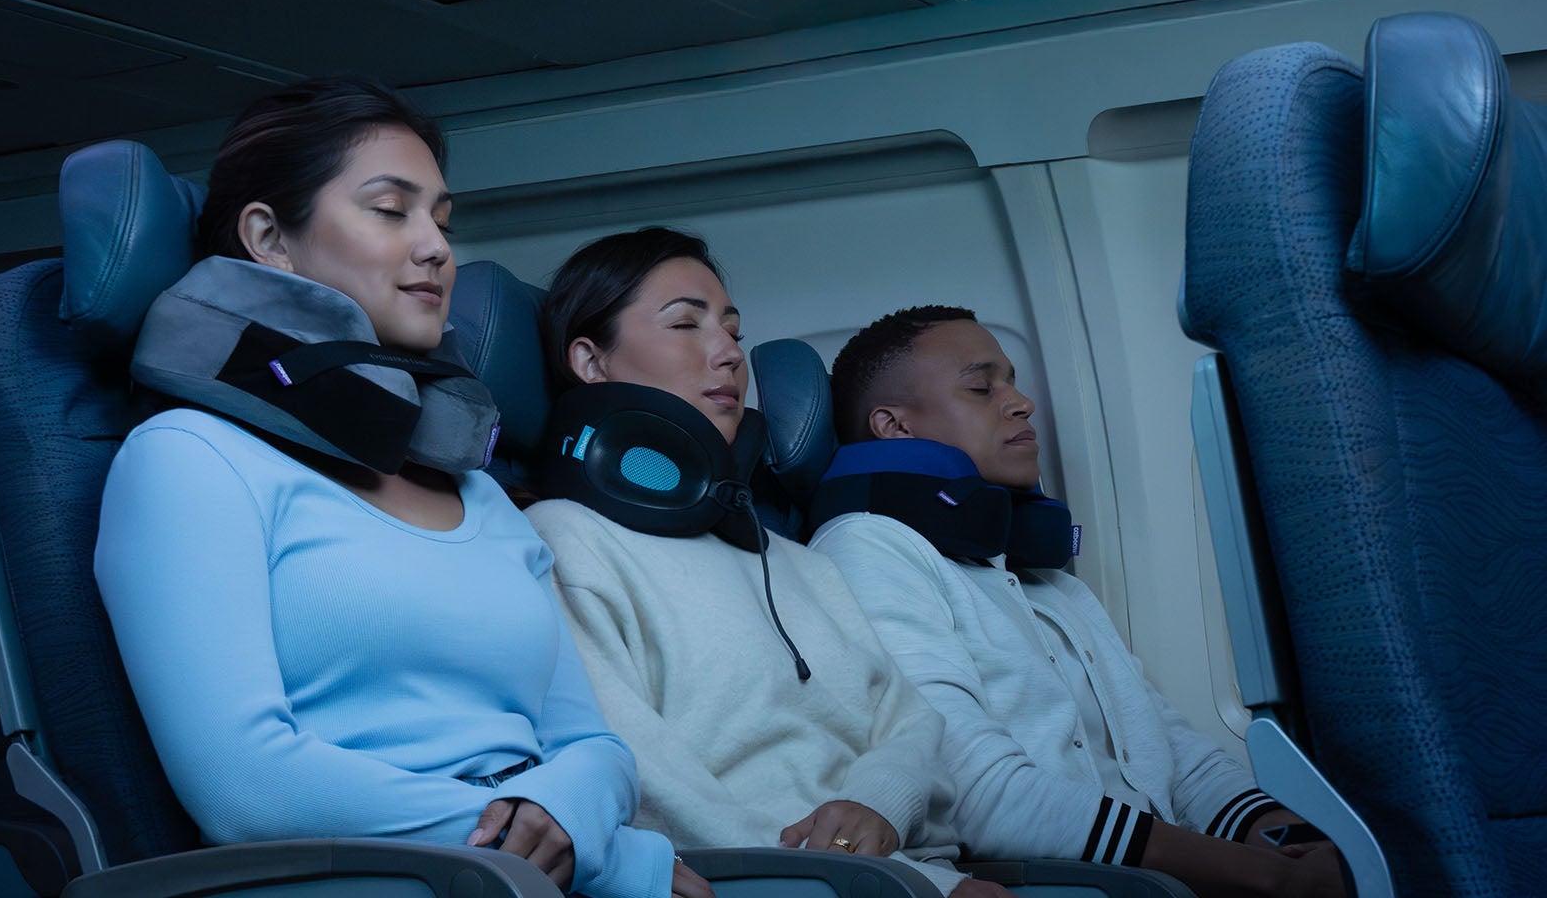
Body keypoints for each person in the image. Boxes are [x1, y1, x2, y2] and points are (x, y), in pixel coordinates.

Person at [93, 79, 704, 898]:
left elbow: (590, 745)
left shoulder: (479, 494)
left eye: (443, 221)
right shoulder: (187, 459)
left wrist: (562, 814)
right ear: (269, 236)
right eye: (391, 211)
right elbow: (245, 786)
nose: (436, 249)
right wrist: (587, 855)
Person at [524, 227, 1008, 898]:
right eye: (686, 324)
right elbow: (640, 781)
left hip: (898, 872)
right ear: (590, 361)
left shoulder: (795, 558)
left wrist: (880, 808)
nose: (727, 354)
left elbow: (912, 721)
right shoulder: (563, 541)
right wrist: (859, 877)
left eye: (732, 331)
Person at [815, 304, 1346, 898]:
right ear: (894, 427)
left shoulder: (1048, 583)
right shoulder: (870, 546)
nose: (1020, 403)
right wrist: (1270, 878)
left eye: (1013, 381)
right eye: (981, 386)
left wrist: (1300, 843)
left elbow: (1175, 756)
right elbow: (976, 792)